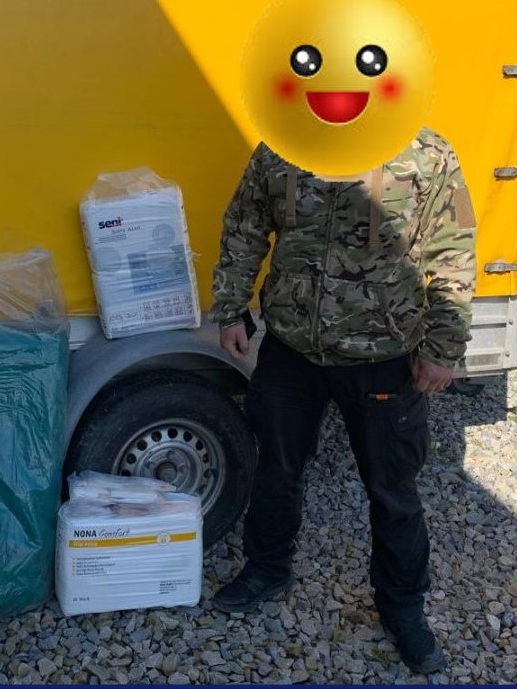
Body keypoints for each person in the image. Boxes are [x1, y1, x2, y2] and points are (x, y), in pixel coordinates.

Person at [209, 127, 476, 675]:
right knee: (276, 468)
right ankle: (266, 568)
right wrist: (231, 308)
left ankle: (403, 606)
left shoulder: (425, 153)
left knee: (392, 488)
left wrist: (443, 347)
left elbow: (453, 253)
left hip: (383, 355)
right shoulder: (284, 140)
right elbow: (246, 226)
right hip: (292, 351)